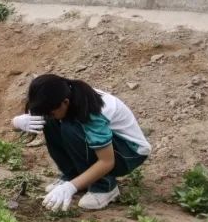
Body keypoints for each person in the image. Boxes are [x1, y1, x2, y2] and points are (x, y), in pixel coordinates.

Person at [12, 74, 150, 212]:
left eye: (52, 112)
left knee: (70, 128)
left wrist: (71, 187)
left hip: (129, 152)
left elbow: (107, 162)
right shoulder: (54, 98)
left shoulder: (92, 113)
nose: (49, 114)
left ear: (65, 102)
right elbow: (31, 120)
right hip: (112, 149)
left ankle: (105, 187)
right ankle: (74, 176)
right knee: (49, 121)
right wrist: (17, 122)